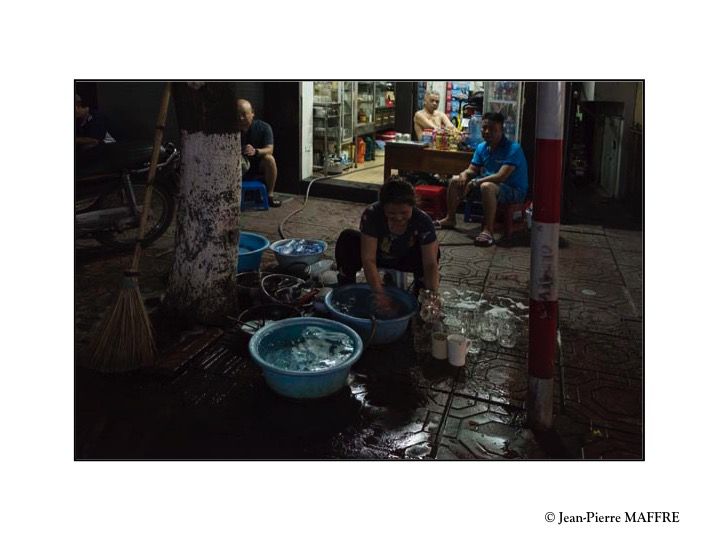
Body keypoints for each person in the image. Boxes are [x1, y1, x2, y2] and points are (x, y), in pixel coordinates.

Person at [334, 178, 440, 311]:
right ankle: (346, 285)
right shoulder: (372, 214)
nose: (398, 218)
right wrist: (379, 294)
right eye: (392, 214)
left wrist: (433, 296)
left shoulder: (423, 220)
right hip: (379, 256)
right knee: (348, 238)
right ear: (383, 207)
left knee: (433, 251)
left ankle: (420, 292)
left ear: (413, 206)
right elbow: (368, 260)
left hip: (404, 258)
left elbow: (430, 264)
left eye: (404, 213)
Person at [433, 112, 528, 247]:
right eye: (484, 128)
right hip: (488, 185)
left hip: (513, 191)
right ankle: (450, 218)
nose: (487, 132)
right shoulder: (482, 147)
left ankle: (488, 231)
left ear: (501, 130)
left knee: (487, 186)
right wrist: (464, 174)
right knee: (454, 181)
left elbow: (501, 176)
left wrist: (476, 182)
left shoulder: (513, 149)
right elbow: (472, 169)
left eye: (492, 129)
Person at [237, 98, 281, 207]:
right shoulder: (230, 129)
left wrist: (255, 151)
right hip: (239, 165)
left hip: (257, 164)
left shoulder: (264, 127)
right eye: (238, 115)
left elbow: (270, 149)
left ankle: (270, 195)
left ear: (252, 113)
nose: (240, 118)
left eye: (244, 114)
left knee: (269, 159)